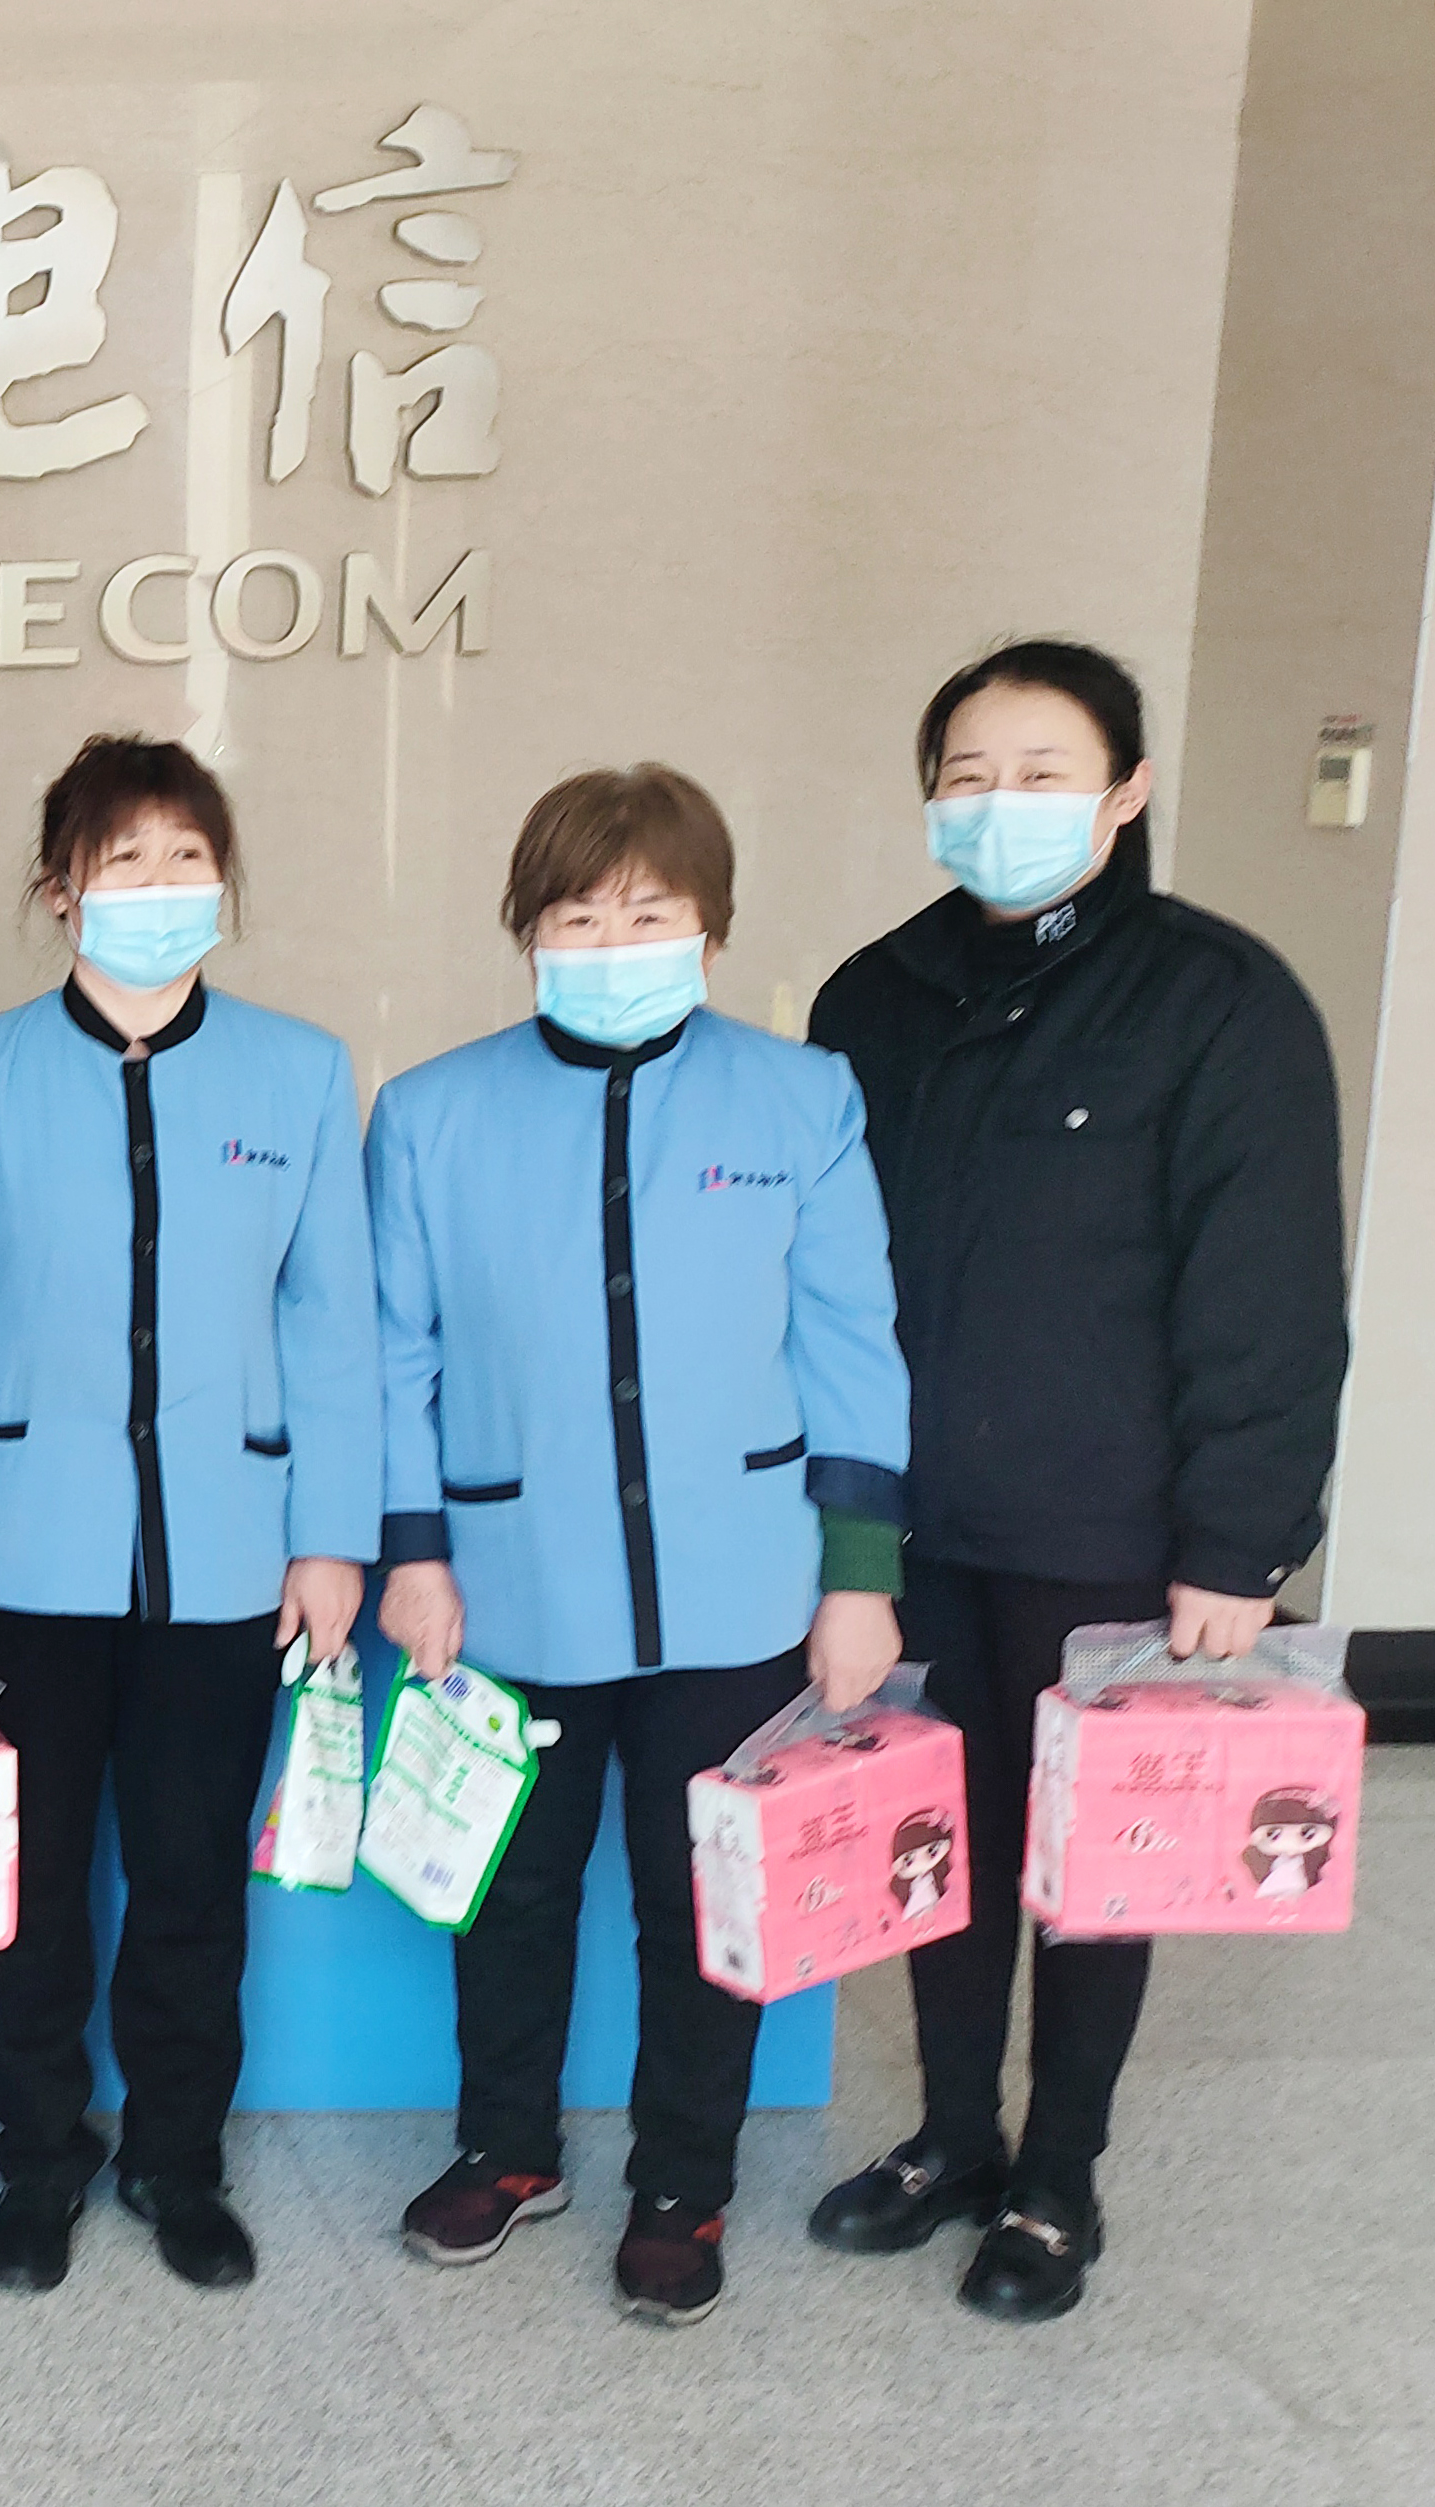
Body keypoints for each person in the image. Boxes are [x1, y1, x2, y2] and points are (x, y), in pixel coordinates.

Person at [803, 640, 1346, 2321]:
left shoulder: (1218, 1000)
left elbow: (1267, 1292)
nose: (1000, 803)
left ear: (1125, 792)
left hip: (1113, 1528)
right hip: (918, 1520)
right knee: (935, 1842)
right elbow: (828, 1284)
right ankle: (954, 2139)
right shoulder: (871, 998)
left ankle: (1059, 2178)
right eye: (968, 775)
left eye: (1041, 773)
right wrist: (840, 1526)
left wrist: (1239, 1543)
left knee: (1103, 1863)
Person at [368, 764, 910, 2328]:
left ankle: (684, 2182)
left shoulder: (803, 1100)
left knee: (705, 1900)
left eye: (649, 914)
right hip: (509, 1580)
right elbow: (395, 1355)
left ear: (711, 928)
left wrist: (860, 1574)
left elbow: (852, 1340)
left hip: (737, 1584)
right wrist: (413, 1551)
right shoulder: (431, 1114)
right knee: (508, 1888)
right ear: (527, 931)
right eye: (578, 917)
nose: (614, 944)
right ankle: (507, 2149)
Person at [0, 736, 378, 2296]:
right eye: (124, 860)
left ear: (222, 882)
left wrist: (331, 1534)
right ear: (60, 890)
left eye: (187, 857)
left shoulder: (299, 1073)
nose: (159, 887)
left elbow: (332, 1320)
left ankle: (177, 2159)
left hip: (228, 1555)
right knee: (20, 1886)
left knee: (188, 1881)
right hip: (18, 1549)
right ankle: (38, 2157)